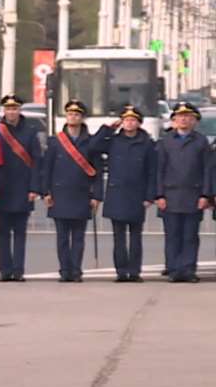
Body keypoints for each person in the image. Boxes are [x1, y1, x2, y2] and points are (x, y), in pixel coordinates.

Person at [89, 105, 156, 282]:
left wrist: (150, 196)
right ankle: (121, 271)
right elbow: (92, 147)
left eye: (133, 120)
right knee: (118, 237)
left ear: (139, 123)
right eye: (126, 120)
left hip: (137, 195)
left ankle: (134, 272)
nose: (129, 123)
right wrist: (109, 128)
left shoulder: (147, 143)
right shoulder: (113, 140)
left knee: (135, 237)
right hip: (117, 194)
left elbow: (152, 172)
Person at [40, 100, 102, 283]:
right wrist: (46, 192)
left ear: (82, 118)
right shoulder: (55, 141)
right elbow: (47, 169)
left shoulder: (90, 142)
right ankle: (64, 270)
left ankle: (76, 271)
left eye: (76, 114)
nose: (73, 117)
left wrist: (97, 195)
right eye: (70, 114)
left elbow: (97, 171)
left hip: (82, 194)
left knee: (78, 237)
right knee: (62, 238)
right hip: (59, 195)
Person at [0, 94, 44, 282]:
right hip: (2, 188)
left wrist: (34, 188)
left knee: (20, 233)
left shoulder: (30, 132)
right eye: (8, 109)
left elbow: (37, 162)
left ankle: (18, 270)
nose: (11, 112)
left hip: (23, 188)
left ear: (19, 110)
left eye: (14, 109)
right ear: (3, 111)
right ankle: (5, 271)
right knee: (3, 233)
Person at [156, 102, 208, 283]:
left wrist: (205, 195)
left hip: (193, 196)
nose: (184, 119)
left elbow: (207, 170)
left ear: (194, 120)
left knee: (190, 236)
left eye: (188, 116)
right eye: (180, 116)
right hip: (170, 196)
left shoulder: (201, 141)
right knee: (173, 236)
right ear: (174, 120)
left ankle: (188, 269)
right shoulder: (165, 142)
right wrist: (159, 195)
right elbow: (159, 170)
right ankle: (174, 269)